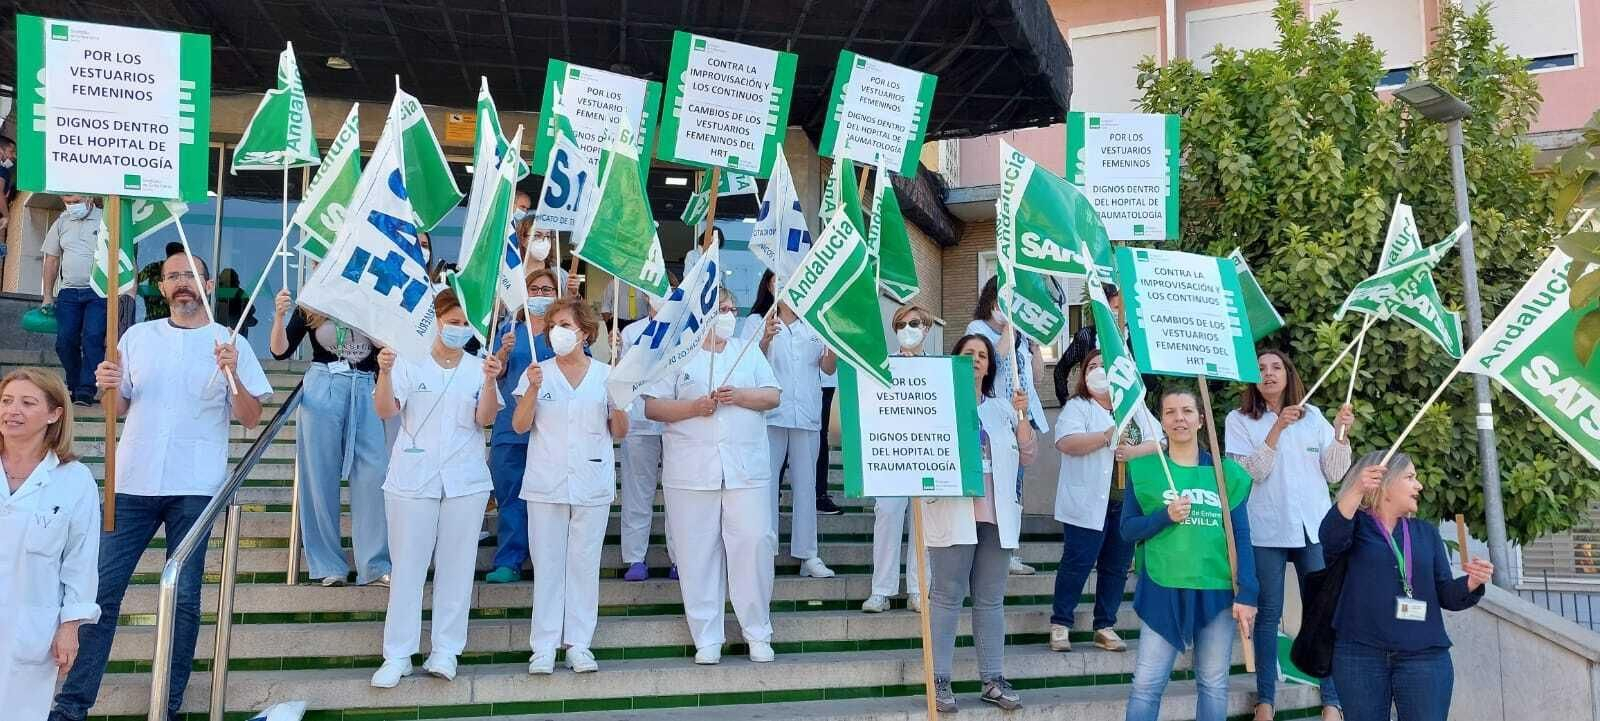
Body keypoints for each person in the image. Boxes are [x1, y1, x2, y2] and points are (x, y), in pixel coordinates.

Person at [52, 253, 272, 721]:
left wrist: (233, 374)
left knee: (185, 600)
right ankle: (71, 707)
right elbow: (122, 406)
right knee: (100, 595)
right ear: (162, 288)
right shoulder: (137, 337)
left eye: (190, 275)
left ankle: (166, 706)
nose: (181, 284)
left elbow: (251, 419)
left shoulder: (228, 343)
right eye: (173, 277)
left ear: (208, 286)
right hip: (132, 482)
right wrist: (106, 383)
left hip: (196, 486)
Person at [369, 288, 502, 688]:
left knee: (457, 568)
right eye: (452, 322)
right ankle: (397, 655)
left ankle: (445, 650)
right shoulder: (409, 362)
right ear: (436, 322)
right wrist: (385, 372)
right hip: (413, 479)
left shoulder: (480, 367)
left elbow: (486, 417)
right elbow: (386, 410)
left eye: (465, 324)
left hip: (465, 481)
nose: (459, 329)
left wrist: (493, 382)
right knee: (408, 568)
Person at [643, 288, 782, 666]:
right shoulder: (677, 350)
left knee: (753, 544)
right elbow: (653, 407)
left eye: (731, 308)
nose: (728, 314)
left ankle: (758, 631)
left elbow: (772, 396)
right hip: (691, 470)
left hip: (744, 469)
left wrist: (740, 396)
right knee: (696, 552)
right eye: (720, 308)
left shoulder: (747, 349)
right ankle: (707, 636)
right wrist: (693, 406)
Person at [1226, 349, 1353, 721]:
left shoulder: (1312, 416)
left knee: (1321, 612)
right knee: (1267, 616)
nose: (1268, 374)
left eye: (1276, 367)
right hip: (1266, 530)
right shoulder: (1239, 420)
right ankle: (1266, 699)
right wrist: (1277, 427)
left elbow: (1334, 472)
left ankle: (1332, 701)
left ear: (1288, 373)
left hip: (1312, 527)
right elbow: (1249, 474)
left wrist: (1341, 434)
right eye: (1261, 369)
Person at [1321, 454, 1492, 721]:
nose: (1419, 485)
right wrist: (1356, 489)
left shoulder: (1426, 533)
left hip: (1424, 657)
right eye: (1410, 477)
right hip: (1360, 655)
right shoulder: (1354, 526)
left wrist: (1472, 583)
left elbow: (1446, 593)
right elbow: (1330, 538)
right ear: (1384, 484)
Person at [1121, 388, 1257, 721]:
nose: (1179, 418)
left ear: (1200, 419)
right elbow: (1127, 530)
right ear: (1162, 422)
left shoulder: (1226, 474)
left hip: (1217, 590)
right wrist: (1164, 516)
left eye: (1186, 411)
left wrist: (1249, 592)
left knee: (1213, 685)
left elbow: (1241, 535)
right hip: (1162, 587)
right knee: (1146, 685)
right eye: (1170, 412)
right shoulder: (1145, 470)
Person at [513, 298, 628, 674]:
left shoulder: (607, 374)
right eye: (553, 326)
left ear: (586, 332)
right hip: (546, 482)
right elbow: (519, 425)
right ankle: (543, 646)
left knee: (583, 565)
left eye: (565, 325)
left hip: (592, 481)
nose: (557, 332)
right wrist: (531, 388)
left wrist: (622, 399)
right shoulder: (538, 372)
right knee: (547, 565)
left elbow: (620, 433)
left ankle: (579, 643)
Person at [924, 333, 1036, 713]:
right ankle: (938, 678)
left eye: (983, 355)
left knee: (990, 599)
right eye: (968, 353)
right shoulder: (936, 404)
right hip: (953, 511)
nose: (976, 359)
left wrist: (1023, 419)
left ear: (990, 366)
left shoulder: (1003, 408)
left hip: (995, 515)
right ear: (954, 358)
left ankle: (992, 678)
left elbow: (1028, 456)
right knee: (946, 596)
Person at [269, 288, 391, 588]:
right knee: (319, 475)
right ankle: (327, 564)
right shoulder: (312, 305)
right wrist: (280, 315)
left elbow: (390, 349)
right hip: (324, 383)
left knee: (373, 473)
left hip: (365, 385)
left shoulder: (375, 300)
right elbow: (280, 350)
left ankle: (374, 565)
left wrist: (368, 319)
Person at [1, 369, 100, 721]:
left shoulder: (74, 480)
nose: (12, 410)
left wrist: (69, 627)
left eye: (28, 403)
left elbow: (81, 560)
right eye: (7, 400)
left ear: (54, 414)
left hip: (31, 630)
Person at [1049, 349, 1162, 653]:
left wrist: (1135, 451)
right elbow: (1065, 442)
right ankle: (1061, 623)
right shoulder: (1078, 407)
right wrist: (1106, 436)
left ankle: (1104, 625)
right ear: (1084, 376)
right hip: (1087, 503)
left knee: (1116, 566)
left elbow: (1161, 440)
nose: (1099, 370)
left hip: (1126, 503)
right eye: (1092, 367)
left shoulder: (1134, 407)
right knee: (1078, 563)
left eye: (1105, 366)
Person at [749, 270, 837, 578]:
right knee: (767, 484)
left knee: (806, 485)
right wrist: (764, 339)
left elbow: (826, 368)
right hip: (770, 414)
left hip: (807, 414)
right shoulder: (758, 321)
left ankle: (808, 554)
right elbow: (746, 365)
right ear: (773, 285)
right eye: (785, 281)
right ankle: (765, 550)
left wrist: (834, 350)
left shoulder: (816, 323)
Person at [482, 269, 565, 584]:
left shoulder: (563, 334)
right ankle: (509, 560)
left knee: (548, 498)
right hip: (511, 429)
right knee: (511, 496)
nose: (541, 294)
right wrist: (502, 351)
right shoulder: (508, 330)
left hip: (551, 430)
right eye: (535, 288)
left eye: (547, 289)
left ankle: (549, 562)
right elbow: (494, 373)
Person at [967, 276, 1045, 575]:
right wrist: (1010, 330)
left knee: (1016, 483)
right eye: (1003, 301)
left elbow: (1037, 376)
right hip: (992, 415)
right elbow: (992, 363)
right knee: (995, 483)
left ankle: (1010, 549)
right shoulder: (978, 330)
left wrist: (1034, 343)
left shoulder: (1022, 337)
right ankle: (990, 547)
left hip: (1021, 415)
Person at [863, 304, 933, 613]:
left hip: (928, 454)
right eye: (901, 325)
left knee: (924, 524)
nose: (908, 329)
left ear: (927, 328)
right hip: (891, 455)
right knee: (888, 515)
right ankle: (881, 590)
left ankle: (919, 590)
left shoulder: (939, 368)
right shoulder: (882, 368)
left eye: (914, 323)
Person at [619, 295, 675, 582]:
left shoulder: (684, 328)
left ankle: (679, 557)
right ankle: (635, 558)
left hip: (677, 423)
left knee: (678, 495)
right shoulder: (631, 332)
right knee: (637, 492)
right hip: (640, 421)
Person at [40, 195, 106, 406]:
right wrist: (47, 296)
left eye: (75, 200)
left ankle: (86, 389)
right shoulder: (61, 222)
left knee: (93, 338)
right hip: (68, 293)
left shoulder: (106, 219)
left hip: (98, 292)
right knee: (65, 341)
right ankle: (75, 383)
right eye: (67, 201)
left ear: (88, 198)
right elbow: (51, 259)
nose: (71, 205)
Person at [517, 219, 576, 295]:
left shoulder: (560, 275)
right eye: (537, 235)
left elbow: (571, 304)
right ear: (523, 240)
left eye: (548, 236)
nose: (544, 241)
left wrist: (574, 292)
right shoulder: (513, 273)